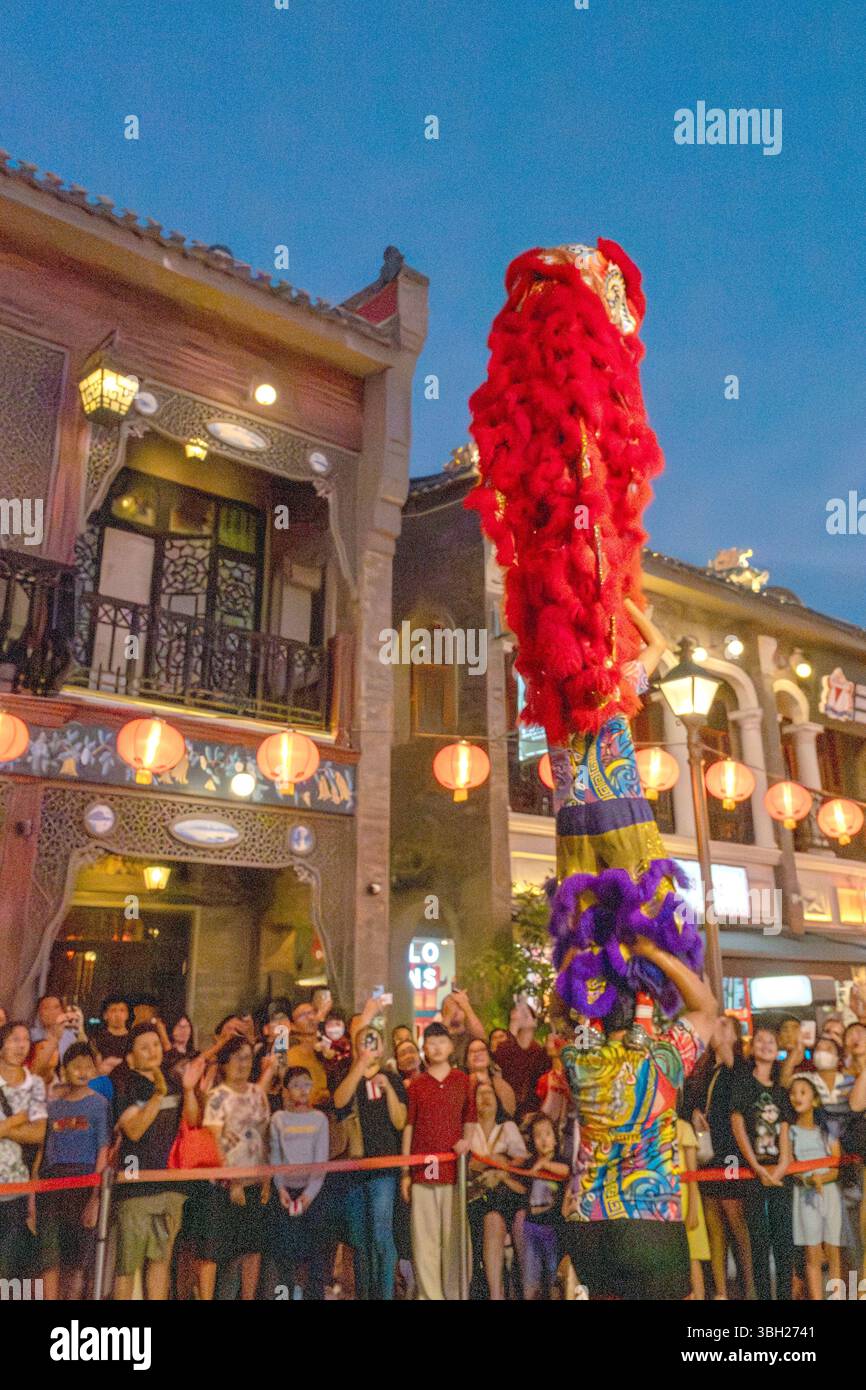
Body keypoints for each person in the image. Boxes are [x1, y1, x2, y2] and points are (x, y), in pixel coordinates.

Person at [561, 936, 716, 1301]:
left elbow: (572, 1017)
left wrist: (583, 967)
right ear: (641, 1015)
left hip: (590, 1224)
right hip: (650, 1223)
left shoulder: (577, 1062)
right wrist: (654, 953)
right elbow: (707, 1009)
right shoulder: (664, 1057)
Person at [112, 1022, 203, 1300]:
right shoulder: (125, 1085)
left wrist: (188, 1090)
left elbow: (192, 1121)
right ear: (130, 1057)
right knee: (128, 1265)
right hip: (136, 1186)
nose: (152, 1051)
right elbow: (134, 1130)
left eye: (155, 1045)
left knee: (161, 1260)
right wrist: (157, 1095)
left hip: (170, 1185)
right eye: (144, 1047)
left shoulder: (174, 1082)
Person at [400, 1021, 475, 1300]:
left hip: (454, 1173)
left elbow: (470, 1119)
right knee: (425, 1240)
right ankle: (430, 1295)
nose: (437, 1047)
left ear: (451, 1046)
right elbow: (410, 1126)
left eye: (442, 1041)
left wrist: (466, 1145)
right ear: (425, 1049)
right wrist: (406, 1172)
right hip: (422, 1172)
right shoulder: (417, 1085)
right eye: (431, 1043)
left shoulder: (462, 1080)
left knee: (454, 1239)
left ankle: (455, 1294)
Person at [332, 1019, 407, 1300]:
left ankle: (385, 1293)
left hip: (383, 1169)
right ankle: (365, 1293)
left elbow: (400, 1122)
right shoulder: (347, 1075)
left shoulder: (393, 1079)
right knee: (359, 1239)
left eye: (374, 1040)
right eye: (364, 1040)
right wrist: (358, 1068)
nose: (369, 1045)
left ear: (383, 1046)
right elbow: (339, 1102)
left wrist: (387, 1088)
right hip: (353, 1167)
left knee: (380, 1234)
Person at [193, 1035, 270, 1300]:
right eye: (237, 1058)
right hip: (224, 1185)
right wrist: (233, 1180)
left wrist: (267, 1178)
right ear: (225, 1063)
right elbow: (215, 1141)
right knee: (218, 1250)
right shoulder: (216, 1097)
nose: (243, 1063)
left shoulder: (257, 1093)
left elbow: (264, 1135)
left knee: (252, 1247)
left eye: (248, 1057)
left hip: (255, 1179)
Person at [685, 1014, 755, 1300]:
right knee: (713, 1218)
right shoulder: (703, 1068)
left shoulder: (739, 1068)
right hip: (708, 1153)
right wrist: (694, 1114)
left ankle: (749, 1287)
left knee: (735, 1218)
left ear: (735, 1036)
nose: (716, 1027)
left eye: (724, 1025)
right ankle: (721, 1291)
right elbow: (688, 1102)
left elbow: (742, 1097)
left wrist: (729, 1052)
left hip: (730, 1152)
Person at [35, 1041, 111, 1299]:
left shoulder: (99, 1105)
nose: (81, 1070)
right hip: (52, 1184)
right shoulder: (53, 1106)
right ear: (64, 1069)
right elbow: (44, 1149)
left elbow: (103, 1150)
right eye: (75, 1065)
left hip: (83, 1184)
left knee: (77, 1263)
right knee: (50, 1258)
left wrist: (95, 1197)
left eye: (87, 1066)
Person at [730, 1023, 794, 1302]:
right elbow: (737, 1124)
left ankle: (785, 1295)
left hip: (780, 1172)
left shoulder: (781, 1088)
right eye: (761, 1041)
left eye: (771, 1042)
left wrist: (780, 1168)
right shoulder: (743, 1083)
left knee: (783, 1239)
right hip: (752, 1172)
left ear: (777, 1049)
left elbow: (785, 1132)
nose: (766, 1045)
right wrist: (756, 1167)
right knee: (759, 1240)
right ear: (752, 1047)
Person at [268, 1067, 330, 1299]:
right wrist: (280, 1188)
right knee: (284, 1251)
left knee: (314, 1251)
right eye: (296, 1085)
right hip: (285, 1191)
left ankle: (313, 1295)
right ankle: (284, 1294)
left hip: (312, 1192)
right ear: (285, 1090)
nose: (302, 1090)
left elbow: (321, 1160)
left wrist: (309, 1195)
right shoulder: (278, 1119)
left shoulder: (319, 1119)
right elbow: (275, 1157)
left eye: (307, 1084)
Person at [466, 1080, 527, 1299]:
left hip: (505, 1190)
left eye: (489, 1093)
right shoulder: (468, 1130)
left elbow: (521, 1158)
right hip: (478, 1194)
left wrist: (499, 1164)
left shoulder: (507, 1127)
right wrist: (493, 1159)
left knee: (501, 1218)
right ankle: (494, 1293)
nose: (485, 1098)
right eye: (480, 1094)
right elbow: (468, 1164)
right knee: (490, 1219)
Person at [0, 1021, 47, 1279]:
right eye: (14, 1039)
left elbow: (40, 1132)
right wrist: (17, 1120)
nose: (21, 1045)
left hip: (16, 1188)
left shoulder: (35, 1084)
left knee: (9, 1268)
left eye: (25, 1040)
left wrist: (4, 1129)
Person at [789, 1075, 843, 1299]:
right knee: (811, 1253)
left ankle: (836, 1296)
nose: (797, 1097)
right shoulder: (790, 1131)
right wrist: (810, 1181)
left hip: (829, 1194)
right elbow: (791, 1167)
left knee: (832, 1251)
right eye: (793, 1093)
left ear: (814, 1099)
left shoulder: (827, 1131)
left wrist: (822, 1180)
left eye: (803, 1092)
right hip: (805, 1196)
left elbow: (836, 1166)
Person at [519, 1112, 569, 1300]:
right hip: (531, 1225)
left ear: (556, 1138)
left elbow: (566, 1172)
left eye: (547, 1134)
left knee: (552, 1273)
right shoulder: (530, 1163)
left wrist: (544, 1166)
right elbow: (522, 1185)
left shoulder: (559, 1161)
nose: (543, 1140)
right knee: (530, 1274)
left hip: (552, 1227)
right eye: (538, 1135)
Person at [495, 1000, 550, 1121]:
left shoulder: (540, 1053)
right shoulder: (504, 1048)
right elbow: (499, 1065)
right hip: (506, 1111)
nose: (520, 1016)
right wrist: (513, 1029)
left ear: (534, 1022)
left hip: (532, 1114)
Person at [676, 1108, 710, 1300]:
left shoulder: (682, 1128)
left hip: (686, 1201)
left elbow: (692, 1175)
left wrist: (693, 1211)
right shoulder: (651, 1130)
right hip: (663, 1203)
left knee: (692, 1256)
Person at [285, 1000, 329, 1105]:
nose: (310, 1018)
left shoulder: (327, 1047)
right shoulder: (290, 1055)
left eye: (312, 1013)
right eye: (302, 1015)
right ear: (292, 1026)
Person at [30, 994, 80, 1082]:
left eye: (56, 1007)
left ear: (62, 1011)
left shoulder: (71, 1037)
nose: (51, 1011)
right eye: (46, 1008)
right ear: (38, 1013)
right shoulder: (30, 1035)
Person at [466, 1037, 516, 1117]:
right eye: (472, 1051)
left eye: (482, 1050)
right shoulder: (460, 1085)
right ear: (466, 1061)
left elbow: (509, 1115)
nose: (477, 1054)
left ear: (489, 1058)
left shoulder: (502, 1086)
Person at [440, 988, 486, 1070]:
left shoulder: (471, 1036)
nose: (455, 1010)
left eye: (459, 1007)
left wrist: (465, 1005)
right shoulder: (440, 1035)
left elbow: (482, 1038)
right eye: (450, 1006)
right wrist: (449, 1014)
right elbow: (435, 1046)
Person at [90, 996, 131, 1070]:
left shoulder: (134, 1038)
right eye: (113, 1010)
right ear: (105, 1015)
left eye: (122, 1010)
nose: (118, 1015)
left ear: (127, 1014)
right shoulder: (97, 1039)